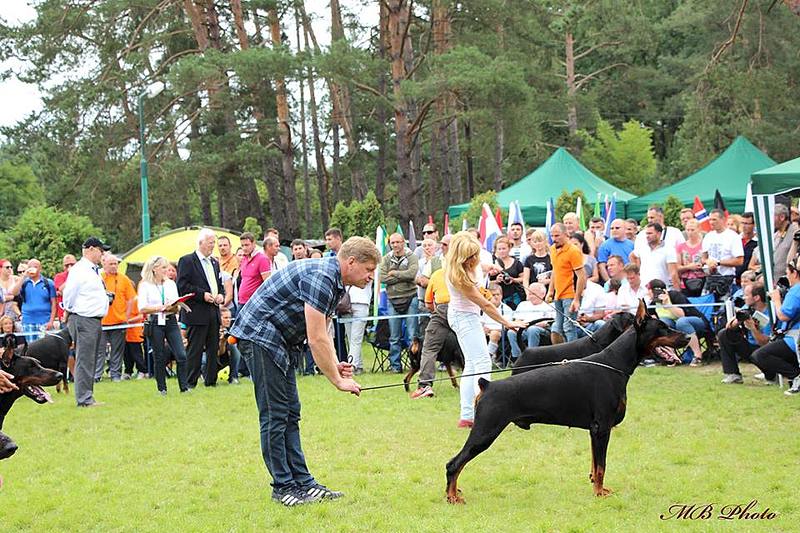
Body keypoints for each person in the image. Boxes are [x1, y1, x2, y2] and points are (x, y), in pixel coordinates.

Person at [230, 236, 373, 506]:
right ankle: (283, 487)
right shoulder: (322, 277)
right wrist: (338, 382)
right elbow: (315, 336)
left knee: (290, 412)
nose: (371, 277)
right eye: (369, 270)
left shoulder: (335, 283)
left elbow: (324, 335)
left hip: (279, 341)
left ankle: (303, 483)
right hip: (259, 337)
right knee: (275, 414)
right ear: (351, 262)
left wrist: (336, 366)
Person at [444, 232, 526, 428]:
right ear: (462, 257)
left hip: (468, 316)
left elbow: (481, 267)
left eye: (476, 254)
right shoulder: (458, 276)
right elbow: (487, 305)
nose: (475, 258)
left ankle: (467, 416)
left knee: (472, 365)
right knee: (482, 363)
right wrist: (508, 323)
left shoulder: (471, 265)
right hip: (464, 318)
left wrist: (490, 267)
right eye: (471, 256)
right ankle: (483, 412)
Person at [62, 237, 111, 407]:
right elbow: (69, 294)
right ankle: (84, 399)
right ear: (90, 249)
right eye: (100, 250)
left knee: (90, 359)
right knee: (85, 359)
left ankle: (87, 397)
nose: (102, 254)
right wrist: (70, 311)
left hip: (92, 319)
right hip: (84, 319)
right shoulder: (80, 270)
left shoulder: (91, 270)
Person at [177, 228, 225, 388]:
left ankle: (211, 380)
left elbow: (219, 285)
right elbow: (182, 287)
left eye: (214, 243)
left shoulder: (214, 262)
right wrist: (202, 294)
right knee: (195, 349)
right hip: (196, 312)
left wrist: (221, 295)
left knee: (213, 347)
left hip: (213, 311)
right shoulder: (187, 261)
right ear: (201, 243)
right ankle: (190, 382)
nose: (213, 246)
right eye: (210, 243)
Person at [138, 256, 189, 395]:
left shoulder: (170, 284)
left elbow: (176, 305)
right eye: (164, 268)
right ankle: (162, 388)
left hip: (170, 320)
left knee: (181, 354)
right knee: (159, 356)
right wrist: (160, 308)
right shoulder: (145, 285)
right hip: (155, 322)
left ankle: (184, 387)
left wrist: (173, 306)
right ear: (155, 269)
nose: (167, 271)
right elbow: (142, 308)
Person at [410, 234, 452, 399]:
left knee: (430, 348)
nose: (442, 247)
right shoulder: (436, 263)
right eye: (441, 244)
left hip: (448, 307)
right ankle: (425, 385)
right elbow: (423, 281)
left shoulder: (443, 269)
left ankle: (425, 385)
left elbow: (428, 300)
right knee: (429, 346)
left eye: (445, 244)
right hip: (448, 308)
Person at [752, 257, 800, 395]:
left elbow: (784, 316)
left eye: (788, 273)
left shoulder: (795, 291)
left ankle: (795, 376)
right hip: (792, 334)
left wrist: (777, 300)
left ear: (795, 273)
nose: (787, 277)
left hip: (794, 336)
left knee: (760, 355)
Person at [379, 232, 419, 373]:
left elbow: (412, 274)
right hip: (393, 300)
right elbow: (382, 277)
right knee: (394, 336)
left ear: (403, 242)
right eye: (392, 242)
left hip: (410, 298)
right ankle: (395, 366)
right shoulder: (386, 259)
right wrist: (403, 276)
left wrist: (394, 273)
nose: (395, 245)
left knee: (412, 335)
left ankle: (415, 365)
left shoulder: (412, 256)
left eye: (398, 242)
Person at [646, 279, 710, 366]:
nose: (647, 293)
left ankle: (697, 355)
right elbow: (653, 320)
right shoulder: (653, 303)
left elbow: (682, 315)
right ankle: (672, 357)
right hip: (676, 328)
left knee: (681, 322)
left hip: (696, 322)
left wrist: (667, 305)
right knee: (662, 324)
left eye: (649, 290)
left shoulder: (674, 295)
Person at [719, 284, 771, 384]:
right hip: (750, 348)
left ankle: (772, 375)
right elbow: (728, 326)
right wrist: (739, 319)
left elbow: (764, 343)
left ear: (756, 297)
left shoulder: (769, 314)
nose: (743, 297)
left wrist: (753, 328)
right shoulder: (748, 307)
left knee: (762, 352)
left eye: (746, 295)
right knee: (724, 334)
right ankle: (733, 374)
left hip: (766, 351)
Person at [97, 254, 137, 382]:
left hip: (119, 321)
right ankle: (97, 375)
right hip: (101, 321)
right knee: (99, 350)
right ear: (104, 264)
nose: (114, 266)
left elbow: (131, 298)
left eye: (116, 264)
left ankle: (115, 374)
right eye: (111, 264)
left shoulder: (124, 279)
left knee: (117, 351)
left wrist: (127, 315)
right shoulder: (98, 277)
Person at [546, 223, 585, 344]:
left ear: (566, 234)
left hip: (571, 294)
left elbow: (581, 276)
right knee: (557, 328)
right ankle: (559, 354)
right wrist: (550, 291)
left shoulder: (573, 251)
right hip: (558, 294)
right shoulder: (553, 249)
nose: (554, 239)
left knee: (569, 327)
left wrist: (577, 299)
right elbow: (555, 271)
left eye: (557, 235)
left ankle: (573, 354)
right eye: (552, 236)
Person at [10, 258, 57, 341]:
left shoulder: (48, 283)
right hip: (28, 321)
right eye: (30, 267)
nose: (32, 269)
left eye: (35, 267)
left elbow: (53, 303)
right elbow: (14, 292)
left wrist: (51, 321)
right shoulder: (24, 283)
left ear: (40, 268)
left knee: (45, 347)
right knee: (31, 348)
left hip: (44, 320)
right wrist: (24, 276)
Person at [506, 283, 553, 361]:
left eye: (533, 294)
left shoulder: (548, 306)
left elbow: (549, 322)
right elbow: (516, 319)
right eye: (529, 293)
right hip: (523, 329)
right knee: (511, 332)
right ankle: (517, 358)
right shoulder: (523, 305)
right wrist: (518, 325)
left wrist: (535, 325)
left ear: (543, 294)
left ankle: (531, 357)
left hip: (541, 330)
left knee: (532, 329)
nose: (530, 296)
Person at [630, 222, 680, 289]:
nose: (647, 236)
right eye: (646, 233)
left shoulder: (669, 249)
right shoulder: (642, 247)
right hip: (644, 289)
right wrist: (638, 271)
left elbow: (673, 273)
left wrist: (677, 291)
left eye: (650, 233)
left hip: (663, 289)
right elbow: (632, 256)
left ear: (659, 234)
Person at [702, 209, 744, 278]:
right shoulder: (708, 236)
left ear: (723, 219)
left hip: (727, 276)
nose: (711, 222)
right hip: (710, 276)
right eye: (710, 220)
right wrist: (708, 262)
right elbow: (703, 258)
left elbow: (739, 261)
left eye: (714, 219)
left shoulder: (733, 236)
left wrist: (718, 263)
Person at [343, 279, 372, 375]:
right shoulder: (369, 268)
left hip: (348, 302)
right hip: (354, 302)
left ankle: (354, 366)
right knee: (354, 339)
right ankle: (355, 365)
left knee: (354, 339)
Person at [480, 283, 514, 364]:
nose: (496, 297)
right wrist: (482, 328)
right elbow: (480, 321)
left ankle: (487, 358)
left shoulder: (506, 309)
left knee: (495, 333)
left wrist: (491, 329)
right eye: (493, 295)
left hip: (500, 330)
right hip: (485, 330)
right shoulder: (483, 307)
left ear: (501, 295)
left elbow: (507, 324)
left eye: (498, 294)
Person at [491, 236, 525, 309]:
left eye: (504, 248)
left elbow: (524, 278)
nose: (502, 251)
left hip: (515, 295)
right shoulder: (492, 264)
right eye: (499, 249)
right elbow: (486, 282)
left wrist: (513, 280)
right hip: (497, 297)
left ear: (509, 248)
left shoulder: (517, 263)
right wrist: (496, 281)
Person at [238, 232, 270, 306]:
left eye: (247, 245)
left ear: (254, 243)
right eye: (242, 245)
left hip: (254, 303)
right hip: (242, 301)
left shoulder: (262, 259)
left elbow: (267, 283)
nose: (244, 248)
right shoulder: (244, 259)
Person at [676, 218, 706, 296]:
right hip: (685, 283)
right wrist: (689, 267)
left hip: (702, 281)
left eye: (692, 230)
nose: (690, 233)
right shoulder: (681, 247)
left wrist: (703, 265)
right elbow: (677, 267)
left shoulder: (705, 245)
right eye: (688, 230)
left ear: (699, 229)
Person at [772, 204, 798, 282]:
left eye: (772, 216)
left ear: (782, 217)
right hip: (774, 280)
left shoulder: (795, 232)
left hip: (788, 280)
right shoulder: (775, 235)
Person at [53, 254, 76, 323]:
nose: (70, 267)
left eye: (72, 264)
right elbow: (61, 289)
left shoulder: (82, 275)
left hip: (79, 314)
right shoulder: (59, 276)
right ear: (63, 267)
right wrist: (72, 275)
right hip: (64, 315)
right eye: (67, 265)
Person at [737, 212, 758, 284]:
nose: (744, 226)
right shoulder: (735, 240)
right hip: (734, 279)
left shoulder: (758, 242)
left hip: (749, 281)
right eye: (742, 223)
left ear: (754, 224)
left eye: (747, 223)